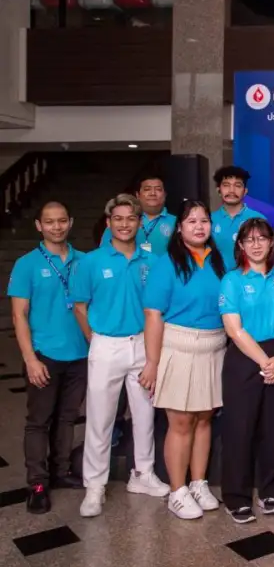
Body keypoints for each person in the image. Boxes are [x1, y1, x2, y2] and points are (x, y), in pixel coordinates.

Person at [73, 195, 168, 518]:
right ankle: (94, 486)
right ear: (108, 222)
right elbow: (80, 306)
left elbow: (158, 309)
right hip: (105, 344)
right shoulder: (91, 261)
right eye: (118, 218)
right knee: (100, 418)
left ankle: (143, 474)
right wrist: (94, 339)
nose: (124, 224)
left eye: (131, 218)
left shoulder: (152, 261)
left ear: (139, 223)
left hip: (142, 343)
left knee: (144, 414)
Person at [142, 200, 228, 520]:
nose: (199, 226)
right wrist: (152, 362)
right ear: (179, 228)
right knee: (180, 423)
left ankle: (198, 483)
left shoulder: (219, 261)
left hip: (215, 346)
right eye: (191, 221)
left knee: (204, 419)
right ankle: (177, 491)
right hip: (179, 346)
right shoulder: (166, 264)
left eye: (204, 220)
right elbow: (153, 314)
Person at [9, 201, 89, 514]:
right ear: (39, 226)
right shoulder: (26, 264)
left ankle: (60, 471)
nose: (57, 227)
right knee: (39, 422)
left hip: (80, 354)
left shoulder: (84, 261)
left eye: (62, 221)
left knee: (67, 417)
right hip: (44, 355)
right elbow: (19, 315)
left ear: (70, 222)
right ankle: (38, 483)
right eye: (50, 222)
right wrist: (30, 359)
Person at [218, 218, 274, 524]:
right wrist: (265, 362)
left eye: (261, 238)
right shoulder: (232, 280)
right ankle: (236, 498)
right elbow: (234, 330)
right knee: (240, 430)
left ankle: (270, 492)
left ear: (271, 242)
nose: (256, 244)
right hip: (244, 357)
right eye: (249, 239)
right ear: (240, 245)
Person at [100, 173, 176, 256]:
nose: (153, 193)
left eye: (158, 189)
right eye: (147, 189)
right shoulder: (119, 223)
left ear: (165, 194)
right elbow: (103, 254)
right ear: (137, 195)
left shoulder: (177, 222)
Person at [210, 166, 266, 272]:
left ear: (245, 191)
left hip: (250, 278)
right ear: (218, 190)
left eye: (237, 186)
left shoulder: (258, 219)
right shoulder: (209, 220)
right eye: (226, 185)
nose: (232, 190)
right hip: (216, 278)